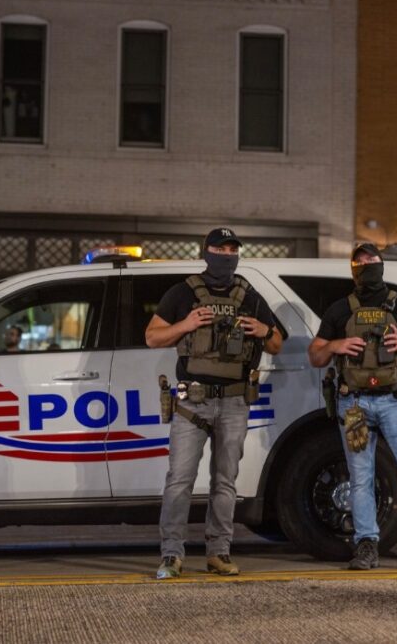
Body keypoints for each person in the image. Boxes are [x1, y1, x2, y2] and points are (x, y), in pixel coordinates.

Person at [145, 227, 282, 579]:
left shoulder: (249, 295)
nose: (226, 254)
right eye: (220, 248)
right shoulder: (183, 293)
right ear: (205, 251)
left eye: (232, 248)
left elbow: (278, 342)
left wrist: (264, 331)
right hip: (193, 402)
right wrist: (185, 323)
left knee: (225, 482)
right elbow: (152, 336)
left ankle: (218, 552)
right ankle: (171, 555)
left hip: (235, 401)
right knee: (180, 480)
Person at [308, 242, 397, 575]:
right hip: (354, 404)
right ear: (352, 268)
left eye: (372, 259)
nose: (366, 264)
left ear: (382, 264)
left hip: (396, 403)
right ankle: (366, 545)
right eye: (360, 261)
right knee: (360, 479)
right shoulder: (340, 310)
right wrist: (336, 344)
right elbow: (315, 356)